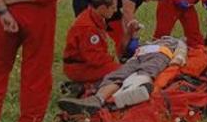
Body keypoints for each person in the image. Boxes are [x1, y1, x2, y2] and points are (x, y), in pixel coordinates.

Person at [58, 36, 188, 115]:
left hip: (159, 55)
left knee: (146, 71)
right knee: (117, 75)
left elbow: (181, 52)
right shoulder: (149, 42)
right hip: (137, 56)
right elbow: (129, 49)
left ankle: (130, 93)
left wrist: (177, 60)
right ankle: (97, 99)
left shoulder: (176, 42)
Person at [71, 0, 165, 58]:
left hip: (109, 6)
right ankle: (83, 59)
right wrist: (135, 37)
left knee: (119, 33)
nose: (148, 1)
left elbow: (127, 20)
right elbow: (128, 14)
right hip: (86, 0)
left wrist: (129, 37)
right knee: (92, 33)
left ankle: (123, 58)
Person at [62, 0, 120, 86]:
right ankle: (89, 89)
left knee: (121, 68)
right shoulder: (88, 28)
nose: (115, 10)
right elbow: (94, 58)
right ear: (102, 8)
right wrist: (112, 62)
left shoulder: (91, 16)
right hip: (80, 68)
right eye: (113, 7)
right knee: (123, 72)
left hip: (82, 64)